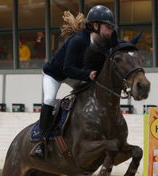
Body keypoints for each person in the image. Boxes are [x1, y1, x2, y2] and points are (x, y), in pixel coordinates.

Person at [31, 5, 116, 158]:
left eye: (112, 27)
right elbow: (67, 69)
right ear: (96, 26)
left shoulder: (106, 40)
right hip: (56, 74)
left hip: (78, 75)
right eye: (108, 27)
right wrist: (88, 74)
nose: (111, 31)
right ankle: (41, 143)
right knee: (49, 99)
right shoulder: (77, 41)